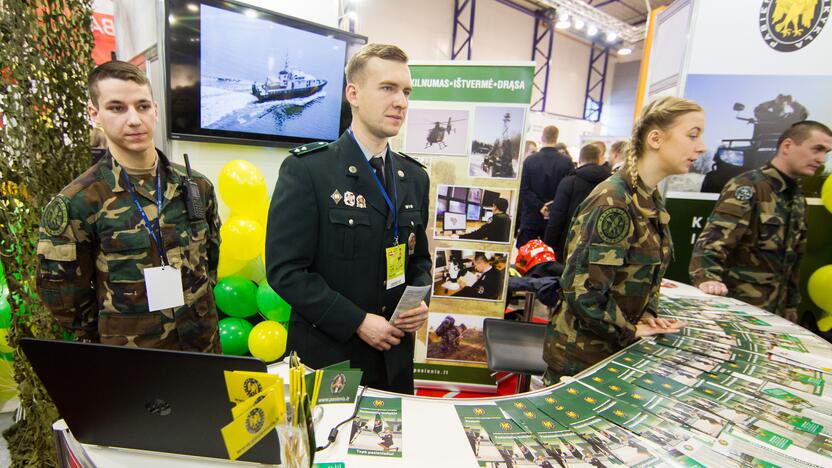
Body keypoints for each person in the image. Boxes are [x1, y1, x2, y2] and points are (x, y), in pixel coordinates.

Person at [265, 44, 431, 394]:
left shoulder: (414, 177)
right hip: (331, 358)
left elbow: (419, 257)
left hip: (395, 359)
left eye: (406, 91)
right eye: (388, 88)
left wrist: (418, 299)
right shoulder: (308, 170)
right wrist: (356, 321)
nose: (401, 101)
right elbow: (286, 271)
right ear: (353, 94)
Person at [36, 61, 221, 351]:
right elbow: (65, 299)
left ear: (156, 110)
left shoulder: (197, 187)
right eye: (117, 108)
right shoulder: (79, 202)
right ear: (94, 114)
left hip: (203, 345)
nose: (134, 119)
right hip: (134, 357)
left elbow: (210, 260)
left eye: (143, 106)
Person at [542, 96, 704, 384]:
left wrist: (646, 315)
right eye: (692, 135)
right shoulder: (614, 202)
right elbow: (584, 292)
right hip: (584, 359)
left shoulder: (648, 198)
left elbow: (639, 277)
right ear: (655, 138)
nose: (701, 147)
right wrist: (630, 329)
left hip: (614, 353)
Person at [689, 121, 832, 322]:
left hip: (775, 314)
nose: (821, 159)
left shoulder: (797, 198)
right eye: (817, 149)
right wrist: (707, 279)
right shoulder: (750, 186)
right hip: (739, 311)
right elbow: (712, 242)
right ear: (787, 146)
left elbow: (793, 260)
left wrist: (790, 305)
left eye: (826, 152)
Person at [543, 143, 612, 261]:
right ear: (599, 159)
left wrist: (548, 246)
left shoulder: (569, 182)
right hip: (602, 250)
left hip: (569, 246)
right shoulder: (611, 183)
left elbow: (557, 217)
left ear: (580, 160)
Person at [517, 125, 574, 247]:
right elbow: (568, 190)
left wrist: (540, 206)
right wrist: (551, 205)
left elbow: (524, 189)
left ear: (542, 137)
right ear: (556, 138)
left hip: (531, 219)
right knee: (548, 258)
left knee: (525, 259)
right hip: (554, 220)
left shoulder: (529, 160)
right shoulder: (566, 162)